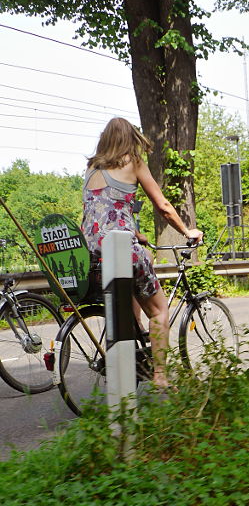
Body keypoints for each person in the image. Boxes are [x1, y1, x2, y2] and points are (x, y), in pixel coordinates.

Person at [82, 118, 203, 389]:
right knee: (160, 311)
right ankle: (160, 374)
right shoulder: (133, 161)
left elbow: (100, 213)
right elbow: (163, 206)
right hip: (120, 251)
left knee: (144, 256)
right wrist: (187, 231)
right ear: (130, 138)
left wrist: (136, 234)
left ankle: (133, 327)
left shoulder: (91, 168)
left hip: (92, 252)